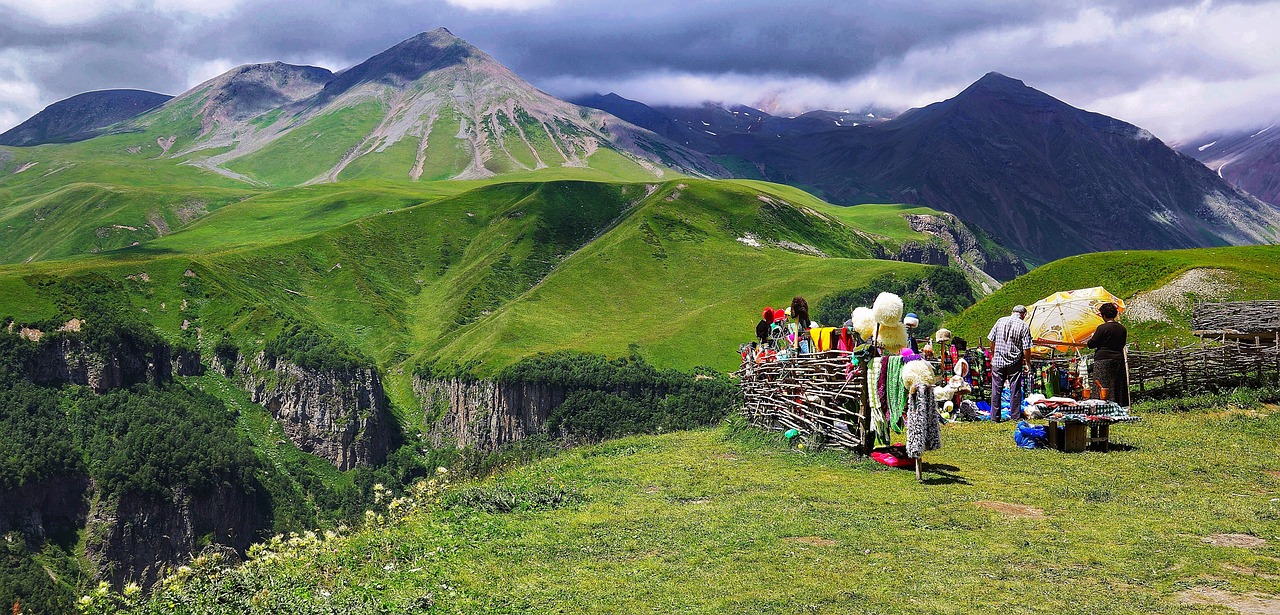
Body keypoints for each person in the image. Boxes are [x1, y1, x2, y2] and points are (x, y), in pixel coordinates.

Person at [987, 305, 1032, 422]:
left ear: (1013, 312)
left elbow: (991, 339)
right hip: (1014, 361)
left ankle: (995, 417)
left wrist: (993, 353)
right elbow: (1026, 348)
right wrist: (1028, 363)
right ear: (1023, 314)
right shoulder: (1024, 326)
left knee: (996, 389)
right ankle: (1015, 416)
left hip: (998, 361)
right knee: (1015, 390)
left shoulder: (1000, 321)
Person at [1088, 302, 1129, 406]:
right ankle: (1118, 404)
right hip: (1118, 358)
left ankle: (1101, 405)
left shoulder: (1102, 328)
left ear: (1104, 315)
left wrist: (1092, 337)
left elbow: (1091, 344)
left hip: (1103, 359)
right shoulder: (1122, 329)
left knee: (1102, 383)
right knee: (1116, 384)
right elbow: (1122, 343)